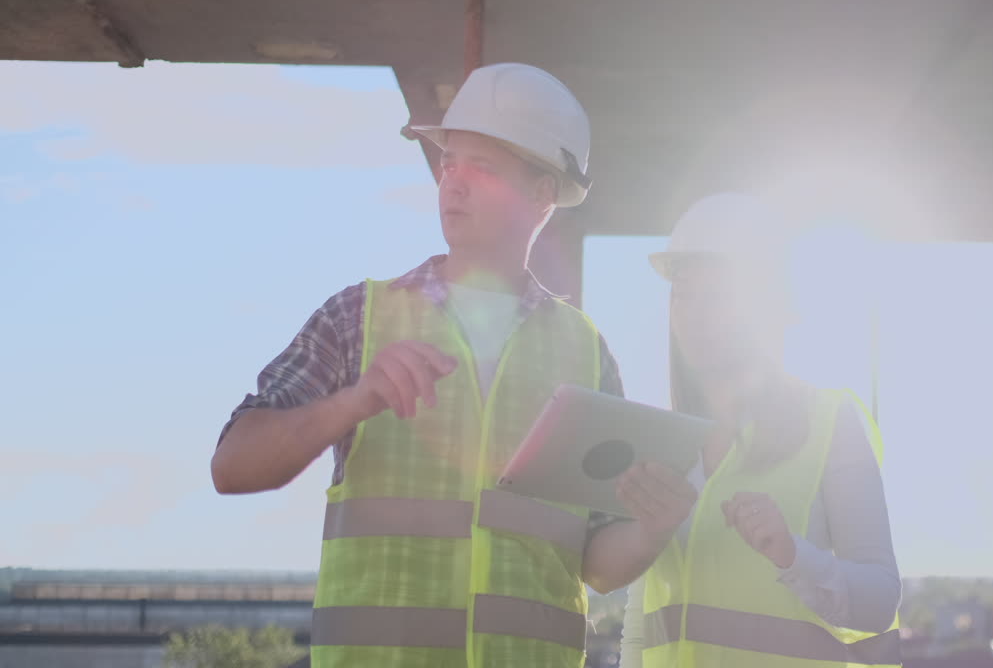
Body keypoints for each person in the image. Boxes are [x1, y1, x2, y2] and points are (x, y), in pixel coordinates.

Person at [211, 63, 673, 668]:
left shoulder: (586, 351)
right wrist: (354, 401)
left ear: (541, 195)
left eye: (481, 166)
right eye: (448, 163)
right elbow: (232, 465)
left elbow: (597, 562)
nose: (452, 183)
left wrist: (653, 527)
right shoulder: (360, 316)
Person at [615, 192, 903, 668]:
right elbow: (640, 624)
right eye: (684, 293)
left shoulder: (832, 423)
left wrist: (793, 555)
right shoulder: (662, 440)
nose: (695, 313)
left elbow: (880, 601)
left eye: (719, 295)